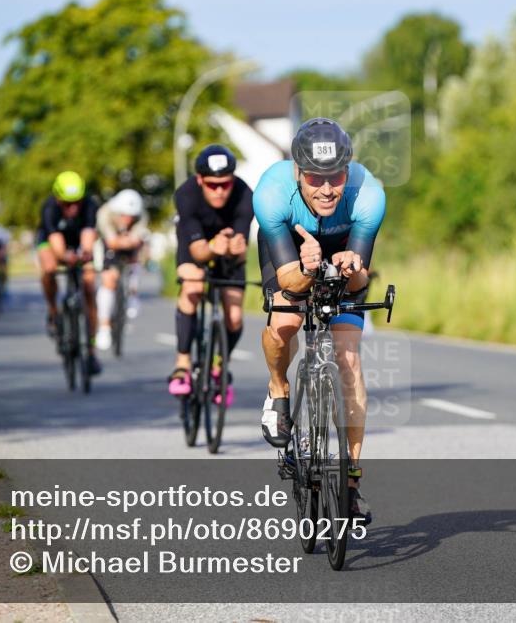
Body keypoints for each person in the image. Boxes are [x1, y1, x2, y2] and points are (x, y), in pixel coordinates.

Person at [253, 118, 385, 525]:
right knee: (286, 324)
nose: (327, 189)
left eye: (336, 177)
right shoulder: (272, 195)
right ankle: (278, 390)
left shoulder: (369, 196)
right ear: (297, 171)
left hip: (344, 251)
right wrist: (308, 268)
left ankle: (350, 482)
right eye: (315, 178)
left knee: (348, 360)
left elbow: (360, 280)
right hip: (291, 251)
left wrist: (352, 266)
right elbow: (291, 280)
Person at [168, 144, 253, 406]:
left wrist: (235, 249)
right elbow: (198, 250)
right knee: (192, 287)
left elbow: (240, 251)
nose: (219, 191)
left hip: (226, 253)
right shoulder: (186, 195)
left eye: (225, 185)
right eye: (212, 184)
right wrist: (214, 247)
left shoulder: (244, 194)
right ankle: (182, 362)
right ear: (200, 180)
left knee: (235, 315)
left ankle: (219, 364)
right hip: (196, 248)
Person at [36, 170, 102, 375]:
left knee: (89, 286)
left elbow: (88, 235)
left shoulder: (90, 205)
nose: (73, 208)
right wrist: (65, 257)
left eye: (77, 202)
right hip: (52, 239)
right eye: (67, 203)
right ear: (57, 199)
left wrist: (85, 254)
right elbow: (55, 242)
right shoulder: (49, 209)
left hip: (77, 239)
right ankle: (53, 311)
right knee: (49, 268)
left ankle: (90, 349)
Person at [94, 188, 149, 351]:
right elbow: (111, 241)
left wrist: (132, 242)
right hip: (108, 242)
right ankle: (104, 326)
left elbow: (137, 239)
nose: (128, 219)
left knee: (136, 259)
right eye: (124, 215)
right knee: (109, 279)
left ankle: (133, 294)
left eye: (131, 216)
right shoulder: (105, 214)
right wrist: (122, 241)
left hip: (127, 242)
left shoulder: (141, 216)